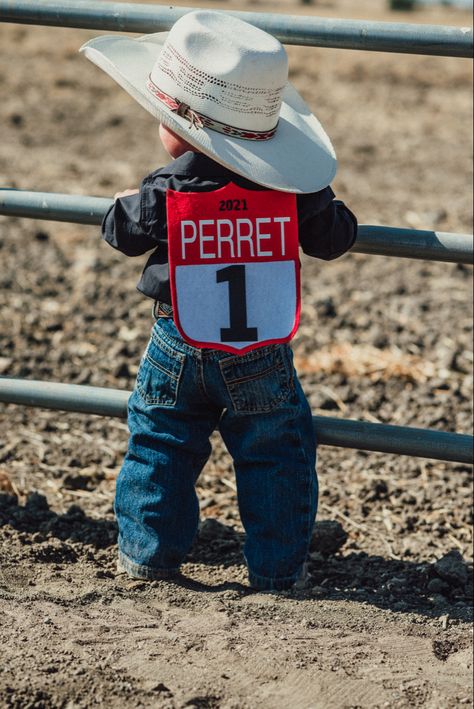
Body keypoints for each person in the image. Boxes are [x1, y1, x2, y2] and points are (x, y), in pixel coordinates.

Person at [81, 10, 357, 591]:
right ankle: (278, 572)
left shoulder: (169, 186)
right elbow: (333, 239)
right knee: (274, 451)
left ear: (179, 123)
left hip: (176, 336)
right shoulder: (293, 187)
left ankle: (149, 560)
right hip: (261, 346)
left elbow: (120, 232)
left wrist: (125, 199)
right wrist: (333, 208)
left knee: (161, 441)